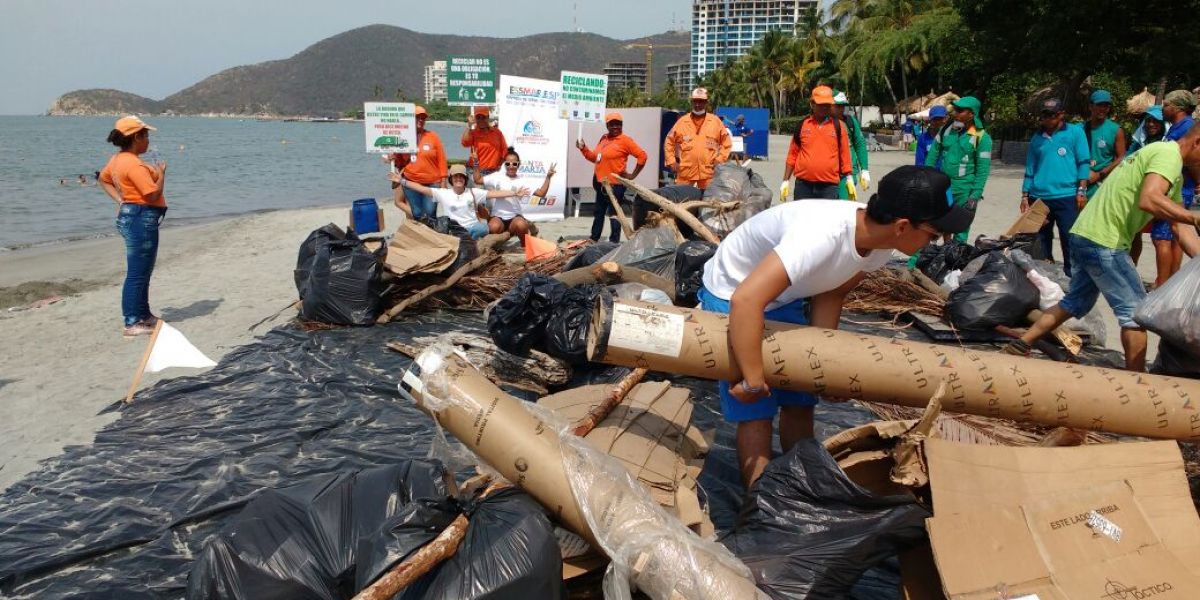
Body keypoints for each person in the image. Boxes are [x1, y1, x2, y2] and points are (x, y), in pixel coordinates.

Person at [699, 165, 974, 487]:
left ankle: (799, 485)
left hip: (785, 292)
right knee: (756, 408)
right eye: (933, 233)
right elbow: (745, 301)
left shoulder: (880, 243)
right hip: (734, 288)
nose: (938, 241)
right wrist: (753, 378)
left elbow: (832, 292)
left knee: (801, 400)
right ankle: (758, 500)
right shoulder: (820, 237)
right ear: (902, 226)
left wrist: (825, 370)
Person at [1005, 129, 1200, 372]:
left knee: (1076, 302)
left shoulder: (1169, 169)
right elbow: (1149, 199)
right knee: (1135, 313)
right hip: (1105, 241)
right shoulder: (1168, 155)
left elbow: (1179, 227)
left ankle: (1022, 343)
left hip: (1085, 234)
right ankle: (1139, 383)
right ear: (1197, 142)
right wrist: (1193, 217)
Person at [97, 116, 167, 337]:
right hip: (140, 216)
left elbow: (103, 179)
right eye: (145, 136)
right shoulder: (133, 163)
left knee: (142, 270)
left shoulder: (118, 159)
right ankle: (132, 321)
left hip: (132, 214)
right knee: (138, 273)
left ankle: (144, 315)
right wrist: (162, 175)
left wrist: (121, 200)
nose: (148, 140)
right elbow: (152, 193)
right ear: (136, 137)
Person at [1021, 98, 1091, 274]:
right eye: (1044, 115)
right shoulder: (1037, 138)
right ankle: (1046, 273)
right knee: (1042, 238)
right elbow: (1030, 167)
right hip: (1039, 196)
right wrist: (1024, 195)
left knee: (1069, 237)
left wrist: (1081, 190)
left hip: (1066, 195)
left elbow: (1083, 162)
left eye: (1051, 115)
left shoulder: (1075, 132)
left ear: (1061, 114)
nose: (1046, 119)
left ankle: (1072, 273)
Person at [391, 164, 527, 239]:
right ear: (451, 179)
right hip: (454, 229)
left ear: (465, 180)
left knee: (483, 228)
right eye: (455, 177)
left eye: (461, 177)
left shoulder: (473, 192)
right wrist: (402, 181)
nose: (458, 179)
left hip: (472, 228)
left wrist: (514, 193)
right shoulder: (444, 193)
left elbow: (494, 193)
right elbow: (421, 189)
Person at [924, 96, 993, 242]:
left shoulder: (982, 138)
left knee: (961, 228)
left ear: (971, 114)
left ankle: (954, 261)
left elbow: (982, 170)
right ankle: (920, 261)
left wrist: (975, 195)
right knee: (935, 223)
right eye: (955, 109)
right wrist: (928, 178)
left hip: (964, 189)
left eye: (960, 110)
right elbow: (932, 156)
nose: (955, 113)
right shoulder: (945, 131)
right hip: (944, 187)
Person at [1148, 90, 1199, 285]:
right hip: (1178, 187)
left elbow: (1192, 160)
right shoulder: (1178, 126)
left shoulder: (1186, 128)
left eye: (1166, 105)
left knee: (1161, 238)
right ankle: (1171, 280)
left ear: (1178, 108)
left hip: (1176, 188)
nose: (1163, 109)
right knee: (1173, 237)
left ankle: (1162, 283)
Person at [576, 112, 647, 242]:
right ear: (607, 125)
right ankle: (594, 239)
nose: (615, 127)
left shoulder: (625, 140)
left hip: (615, 186)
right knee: (598, 213)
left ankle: (614, 241)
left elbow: (642, 156)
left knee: (614, 215)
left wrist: (633, 175)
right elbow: (595, 158)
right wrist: (583, 148)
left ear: (622, 125)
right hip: (600, 184)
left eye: (618, 124)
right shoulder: (604, 138)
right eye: (612, 124)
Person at [781, 86, 852, 201]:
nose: (824, 107)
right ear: (812, 104)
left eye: (827, 104)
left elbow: (845, 155)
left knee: (826, 219)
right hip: (803, 186)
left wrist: (849, 179)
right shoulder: (802, 125)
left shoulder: (838, 127)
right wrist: (785, 181)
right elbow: (792, 155)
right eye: (821, 104)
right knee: (802, 218)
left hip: (829, 188)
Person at [476, 147, 555, 242]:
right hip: (497, 217)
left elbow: (541, 193)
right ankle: (504, 236)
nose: (511, 166)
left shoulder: (523, 181)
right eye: (508, 164)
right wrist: (476, 162)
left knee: (521, 225)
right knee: (493, 227)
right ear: (504, 164)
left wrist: (548, 177)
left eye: (514, 164)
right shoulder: (497, 177)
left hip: (515, 217)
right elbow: (478, 180)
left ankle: (523, 243)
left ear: (518, 164)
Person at [663, 87, 731, 189]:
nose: (698, 104)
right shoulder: (682, 122)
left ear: (706, 102)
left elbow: (726, 142)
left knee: (708, 201)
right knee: (682, 200)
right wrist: (671, 161)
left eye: (701, 101)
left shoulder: (715, 121)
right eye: (695, 101)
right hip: (686, 171)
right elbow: (669, 141)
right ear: (692, 102)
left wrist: (720, 159)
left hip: (708, 172)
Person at [1127, 106, 1165, 268]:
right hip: (1136, 193)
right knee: (1135, 234)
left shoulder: (1167, 144)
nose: (1150, 124)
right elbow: (1127, 161)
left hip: (1158, 193)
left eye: (1155, 121)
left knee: (1160, 238)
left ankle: (1163, 281)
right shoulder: (1138, 143)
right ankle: (1132, 267)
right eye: (1148, 120)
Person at [395, 106, 447, 220]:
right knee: (417, 213)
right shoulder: (403, 138)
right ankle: (421, 236)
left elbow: (442, 160)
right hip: (411, 182)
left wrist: (443, 181)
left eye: (423, 118)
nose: (420, 120)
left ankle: (431, 236)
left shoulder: (433, 137)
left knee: (430, 212)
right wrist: (392, 156)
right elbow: (399, 162)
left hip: (433, 183)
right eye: (417, 117)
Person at [1083, 90, 1127, 199]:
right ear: (1090, 106)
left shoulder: (1115, 130)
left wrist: (1100, 174)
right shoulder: (1080, 129)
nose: (1103, 109)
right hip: (1081, 182)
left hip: (1102, 184)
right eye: (1099, 105)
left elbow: (1122, 157)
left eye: (1106, 106)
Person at [833, 89, 871, 196]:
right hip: (828, 174)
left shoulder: (850, 122)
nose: (841, 109)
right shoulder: (823, 122)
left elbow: (860, 144)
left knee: (843, 208)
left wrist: (864, 170)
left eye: (843, 106)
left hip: (848, 173)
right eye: (838, 106)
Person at [460, 106, 507, 177]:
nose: (481, 120)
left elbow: (504, 151)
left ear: (488, 117)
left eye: (483, 117)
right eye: (478, 117)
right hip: (474, 171)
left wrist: (500, 165)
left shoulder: (497, 132)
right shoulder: (473, 132)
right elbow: (465, 143)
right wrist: (469, 126)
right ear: (475, 119)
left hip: (492, 172)